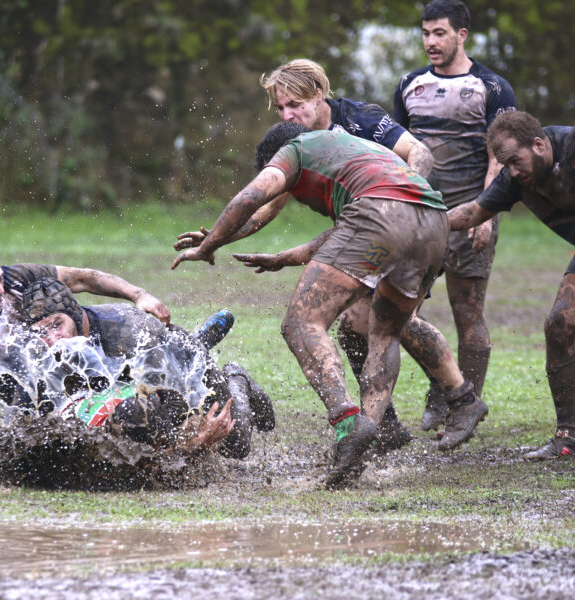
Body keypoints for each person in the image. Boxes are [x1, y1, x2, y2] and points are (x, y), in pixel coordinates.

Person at [176, 58, 470, 453]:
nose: (288, 113)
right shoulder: (316, 145)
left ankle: (446, 396)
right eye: (281, 108)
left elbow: (253, 195)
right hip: (424, 222)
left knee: (312, 323)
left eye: (294, 103)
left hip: (394, 214)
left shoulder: (346, 126)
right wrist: (221, 236)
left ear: (319, 94)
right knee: (368, 328)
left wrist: (210, 246)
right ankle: (380, 426)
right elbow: (276, 209)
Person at [393, 0, 516, 430]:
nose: (430, 41)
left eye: (439, 33)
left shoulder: (492, 87)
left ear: (462, 34)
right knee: (403, 311)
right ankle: (445, 388)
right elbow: (398, 150)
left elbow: (500, 157)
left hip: (471, 215)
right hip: (419, 219)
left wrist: (485, 213)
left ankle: (467, 406)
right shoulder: (410, 84)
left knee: (468, 314)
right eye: (425, 33)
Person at [21, 276, 275, 459]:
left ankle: (235, 377)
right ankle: (199, 339)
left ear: (76, 316)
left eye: (56, 325)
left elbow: (176, 411)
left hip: (181, 367)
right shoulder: (43, 350)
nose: (52, 339)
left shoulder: (130, 335)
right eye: (42, 331)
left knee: (235, 445)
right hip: (136, 375)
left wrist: (199, 439)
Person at [447, 110, 575, 460]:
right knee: (560, 326)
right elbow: (473, 213)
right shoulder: (515, 178)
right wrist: (424, 223)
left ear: (538, 144)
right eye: (507, 165)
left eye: (516, 161)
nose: (514, 171)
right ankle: (569, 438)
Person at [0, 241, 169, 407]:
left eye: (0, 279)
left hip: (61, 353)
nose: (1, 289)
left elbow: (81, 278)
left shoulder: (15, 279)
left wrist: (139, 295)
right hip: (19, 376)